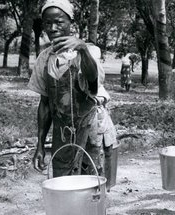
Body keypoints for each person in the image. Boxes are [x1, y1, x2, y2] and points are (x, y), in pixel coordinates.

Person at [28, 0, 117, 179]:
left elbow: (93, 84)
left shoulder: (89, 52)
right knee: (64, 187)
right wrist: (40, 144)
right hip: (63, 134)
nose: (53, 28)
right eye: (47, 23)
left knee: (92, 188)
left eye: (59, 22)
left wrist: (82, 49)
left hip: (92, 129)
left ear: (71, 23)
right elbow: (45, 104)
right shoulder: (44, 59)